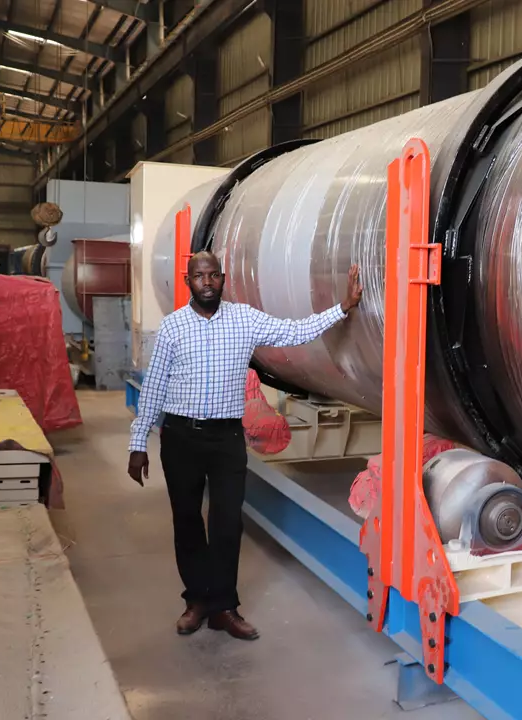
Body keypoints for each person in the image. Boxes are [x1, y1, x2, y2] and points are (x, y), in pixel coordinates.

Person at [128, 251, 362, 640]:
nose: (206, 282)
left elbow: (294, 332)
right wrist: (138, 443)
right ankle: (196, 601)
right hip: (181, 437)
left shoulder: (244, 320)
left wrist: (343, 307)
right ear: (188, 281)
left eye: (213, 275)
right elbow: (154, 387)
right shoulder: (172, 327)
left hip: (226, 439)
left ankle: (223, 607)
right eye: (199, 276)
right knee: (187, 520)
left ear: (223, 279)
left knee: (227, 523)